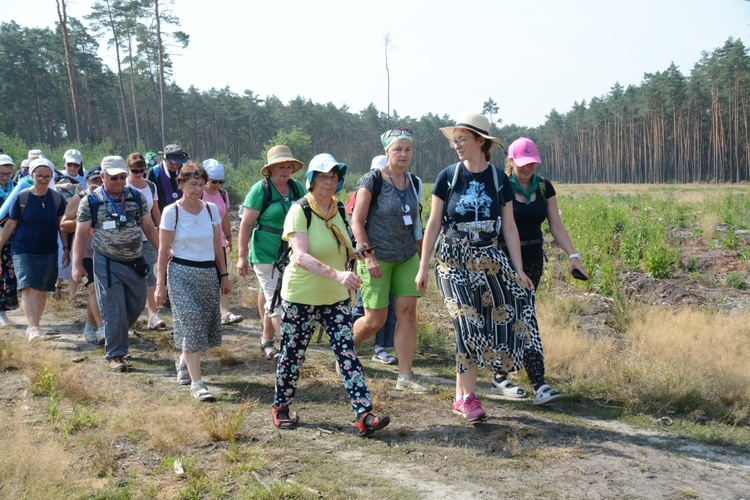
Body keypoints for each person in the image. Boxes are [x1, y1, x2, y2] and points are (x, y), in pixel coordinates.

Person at [415, 112, 538, 422]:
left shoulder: (498, 179)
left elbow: (509, 228)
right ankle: (469, 397)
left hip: (489, 258)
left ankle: (463, 395)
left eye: (462, 139)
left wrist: (519, 270)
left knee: (511, 307)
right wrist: (423, 266)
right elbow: (432, 224)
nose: (456, 145)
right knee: (466, 322)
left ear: (480, 142)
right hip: (452, 258)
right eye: (454, 140)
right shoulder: (448, 176)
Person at [271, 153, 389, 437]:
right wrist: (338, 274)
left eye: (334, 177)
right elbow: (300, 257)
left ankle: (364, 415)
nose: (330, 182)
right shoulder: (301, 211)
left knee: (347, 354)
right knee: (292, 354)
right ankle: (281, 406)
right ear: (311, 180)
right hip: (301, 296)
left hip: (334, 299)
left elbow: (345, 245)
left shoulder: (336, 208)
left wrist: (361, 254)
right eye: (324, 176)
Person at [488, 137, 588, 404]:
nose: (527, 167)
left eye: (532, 162)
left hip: (533, 260)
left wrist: (573, 256)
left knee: (518, 316)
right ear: (510, 161)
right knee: (522, 317)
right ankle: (539, 384)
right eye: (522, 162)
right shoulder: (500, 186)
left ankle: (500, 375)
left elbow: (555, 224)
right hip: (505, 259)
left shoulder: (544, 187)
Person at [351, 129, 426, 392]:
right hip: (377, 257)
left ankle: (405, 377)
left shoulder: (415, 183)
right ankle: (345, 350)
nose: (403, 154)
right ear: (387, 152)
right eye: (398, 150)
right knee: (376, 319)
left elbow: (417, 224)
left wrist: (423, 261)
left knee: (407, 314)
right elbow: (357, 222)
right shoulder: (372, 180)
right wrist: (368, 256)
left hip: (407, 256)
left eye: (408, 149)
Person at [72, 156, 159, 372]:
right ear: (102, 177)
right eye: (113, 178)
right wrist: (76, 264)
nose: (119, 181)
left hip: (134, 262)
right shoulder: (91, 201)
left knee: (138, 303)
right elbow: (81, 234)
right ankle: (116, 355)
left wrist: (163, 250)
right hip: (107, 263)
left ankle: (117, 333)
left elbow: (148, 227)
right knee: (113, 309)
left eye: (122, 177)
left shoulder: (137, 197)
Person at [155, 161, 231, 402]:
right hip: (180, 274)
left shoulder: (211, 210)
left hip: (208, 274)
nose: (198, 189)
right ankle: (198, 384)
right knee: (192, 323)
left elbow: (217, 246)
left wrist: (224, 275)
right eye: (192, 184)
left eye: (201, 184)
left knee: (200, 327)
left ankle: (183, 362)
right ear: (181, 184)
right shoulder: (172, 212)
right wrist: (160, 284)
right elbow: (162, 250)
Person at [237, 145, 305, 359]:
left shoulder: (297, 189)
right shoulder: (261, 189)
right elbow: (246, 225)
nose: (285, 171)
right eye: (280, 167)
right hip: (265, 253)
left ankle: (267, 340)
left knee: (276, 296)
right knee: (276, 302)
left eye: (288, 167)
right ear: (271, 169)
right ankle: (290, 352)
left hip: (291, 253)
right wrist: (241, 256)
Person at [0, 158, 67, 343]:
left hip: (48, 250)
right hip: (23, 249)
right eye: (39, 176)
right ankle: (33, 328)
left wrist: (67, 249)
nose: (43, 180)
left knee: (42, 290)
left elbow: (61, 226)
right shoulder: (21, 197)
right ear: (32, 176)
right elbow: (10, 224)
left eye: (47, 176)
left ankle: (35, 325)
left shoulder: (57, 198)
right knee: (28, 287)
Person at [61, 166, 105, 343]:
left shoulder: (111, 197)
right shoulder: (79, 198)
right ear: (86, 181)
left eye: (100, 180)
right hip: (85, 252)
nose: (98, 184)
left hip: (104, 251)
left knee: (96, 292)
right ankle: (102, 329)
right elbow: (64, 224)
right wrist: (84, 219)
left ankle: (88, 326)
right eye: (94, 180)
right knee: (93, 288)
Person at [125, 152, 166, 330]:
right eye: (135, 170)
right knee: (127, 274)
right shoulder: (123, 185)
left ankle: (152, 315)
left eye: (142, 170)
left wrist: (163, 236)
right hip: (126, 237)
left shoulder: (150, 186)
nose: (139, 174)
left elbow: (155, 212)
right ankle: (127, 312)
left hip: (147, 236)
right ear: (128, 168)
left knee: (149, 272)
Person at [203, 158, 243, 325]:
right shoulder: (198, 193)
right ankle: (207, 314)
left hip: (218, 242)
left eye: (220, 181)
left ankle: (225, 313)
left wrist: (228, 238)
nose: (217, 184)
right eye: (214, 181)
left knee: (222, 275)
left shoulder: (222, 194)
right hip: (201, 243)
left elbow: (224, 217)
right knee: (205, 279)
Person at [53, 149, 86, 302]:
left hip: (76, 219)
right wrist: (61, 186)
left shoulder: (83, 178)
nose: (72, 168)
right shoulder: (55, 175)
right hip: (59, 220)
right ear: (64, 163)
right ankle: (57, 285)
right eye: (70, 164)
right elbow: (46, 187)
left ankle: (72, 296)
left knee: (74, 255)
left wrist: (82, 191)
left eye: (76, 165)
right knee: (61, 254)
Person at [0, 154, 19, 326]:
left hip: (12, 238)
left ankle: (3, 311)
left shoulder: (16, 188)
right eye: (1, 174)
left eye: (7, 173)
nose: (5, 177)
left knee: (9, 274)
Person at [146, 144, 189, 212]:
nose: (175, 166)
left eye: (178, 163)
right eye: (171, 163)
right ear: (164, 159)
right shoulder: (153, 173)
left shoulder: (187, 171)